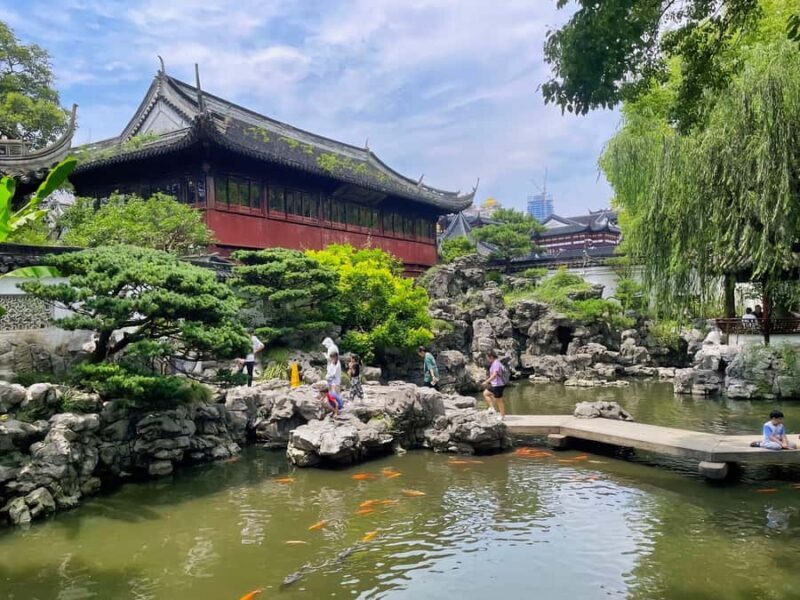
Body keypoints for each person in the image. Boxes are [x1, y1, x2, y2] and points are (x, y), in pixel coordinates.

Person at [482, 350, 508, 419]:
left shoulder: (496, 363)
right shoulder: (494, 363)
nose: (487, 359)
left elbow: (495, 375)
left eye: (487, 357)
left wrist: (487, 381)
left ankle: (502, 416)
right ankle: (492, 408)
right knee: (486, 393)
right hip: (494, 385)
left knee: (499, 401)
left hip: (498, 385)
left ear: (491, 357)